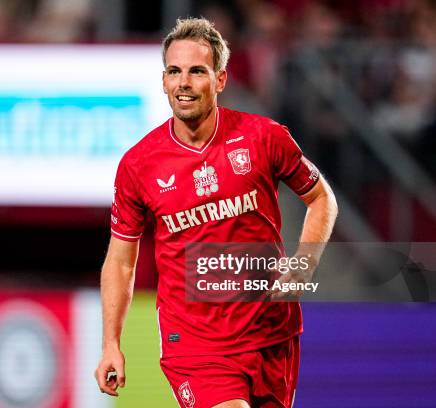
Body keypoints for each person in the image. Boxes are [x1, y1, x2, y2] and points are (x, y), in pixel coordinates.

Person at [94, 18, 338, 408]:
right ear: (163, 80)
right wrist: (110, 343)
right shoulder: (138, 165)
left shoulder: (264, 138)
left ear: (221, 79)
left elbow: (322, 198)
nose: (183, 83)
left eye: (196, 71)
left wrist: (304, 266)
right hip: (194, 344)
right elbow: (121, 261)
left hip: (271, 332)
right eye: (174, 71)